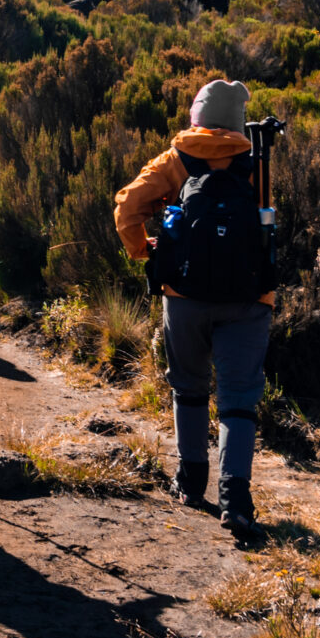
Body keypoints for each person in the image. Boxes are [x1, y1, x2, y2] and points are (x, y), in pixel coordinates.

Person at [114, 78, 272, 546]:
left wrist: (149, 253)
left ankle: (189, 481)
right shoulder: (256, 159)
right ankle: (236, 500)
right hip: (249, 298)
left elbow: (126, 210)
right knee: (239, 397)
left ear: (196, 116)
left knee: (188, 387)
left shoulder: (175, 160)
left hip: (183, 297)